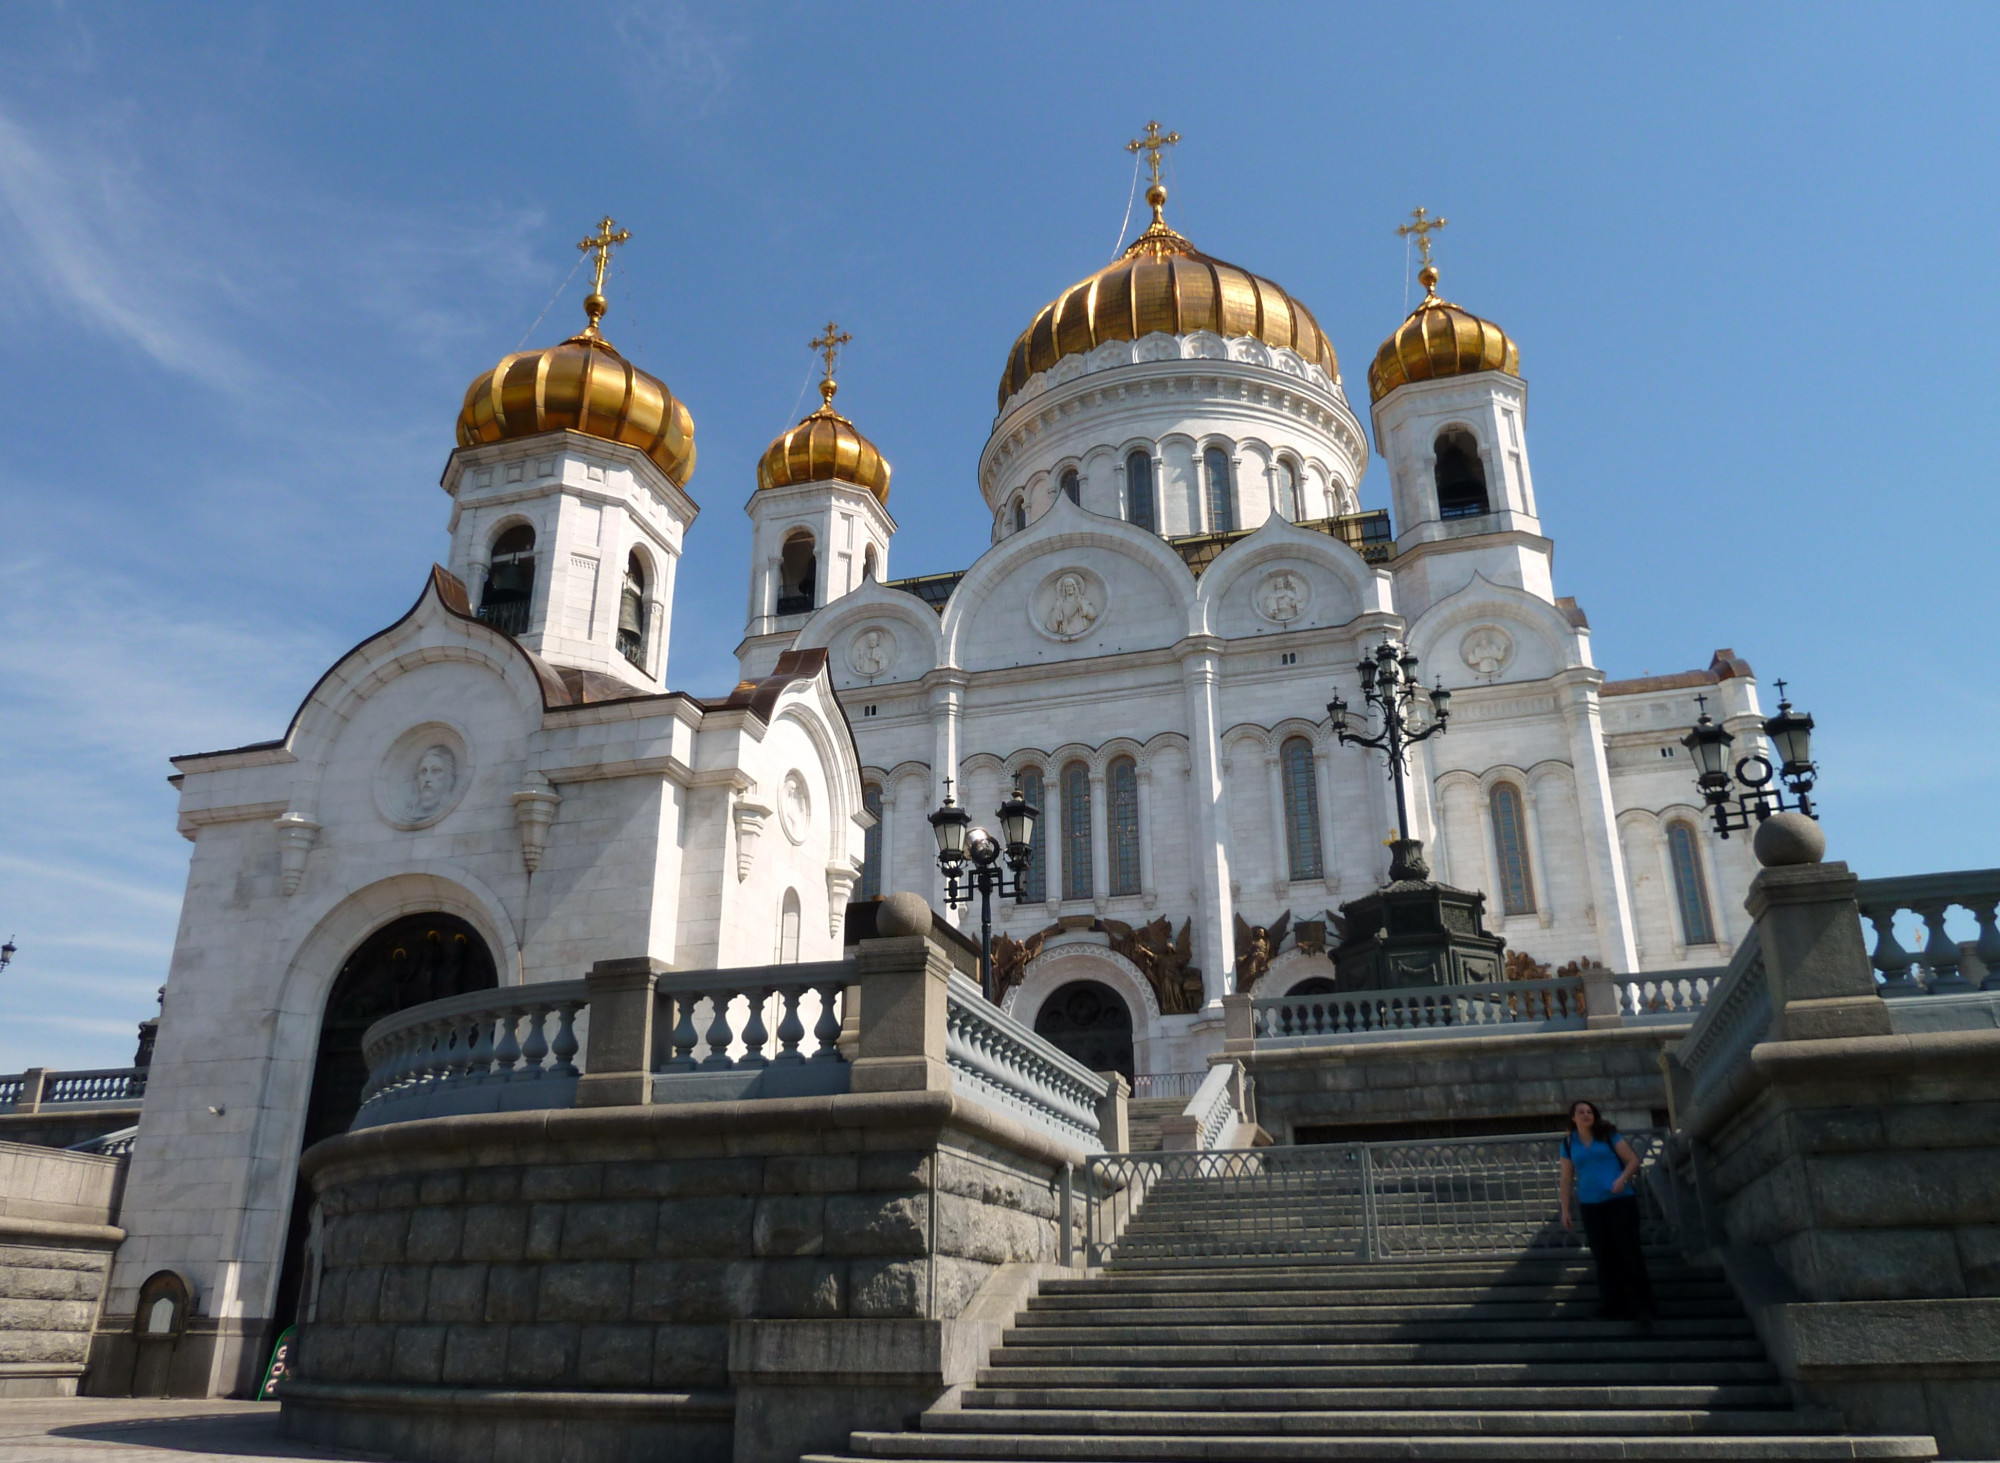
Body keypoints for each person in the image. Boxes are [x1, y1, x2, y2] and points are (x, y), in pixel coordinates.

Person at [1558, 1099, 1657, 1323]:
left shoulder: (1608, 1134)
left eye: (1589, 1111)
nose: (1586, 1115)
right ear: (1573, 1118)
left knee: (1628, 1253)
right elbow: (1566, 1179)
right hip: (1591, 1206)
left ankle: (1642, 1307)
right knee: (1603, 1256)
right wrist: (1565, 1209)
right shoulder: (1567, 1143)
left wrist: (1623, 1179)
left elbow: (1632, 1160)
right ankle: (1612, 1305)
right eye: (1581, 1112)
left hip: (1620, 1202)